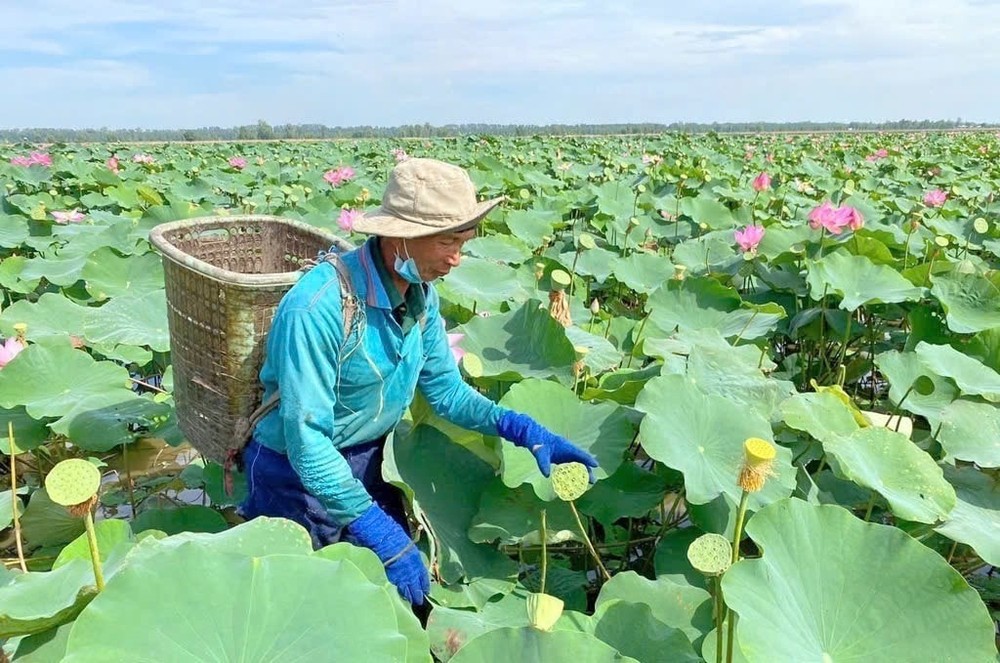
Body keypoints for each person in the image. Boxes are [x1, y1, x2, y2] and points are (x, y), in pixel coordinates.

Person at [238, 158, 599, 607]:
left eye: (463, 241)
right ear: (399, 235)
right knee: (305, 605)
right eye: (446, 240)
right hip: (292, 473)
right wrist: (378, 531)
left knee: (399, 599)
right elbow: (308, 443)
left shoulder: (420, 295)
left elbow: (446, 393)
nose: (456, 258)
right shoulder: (317, 308)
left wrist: (523, 429)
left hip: (371, 457)